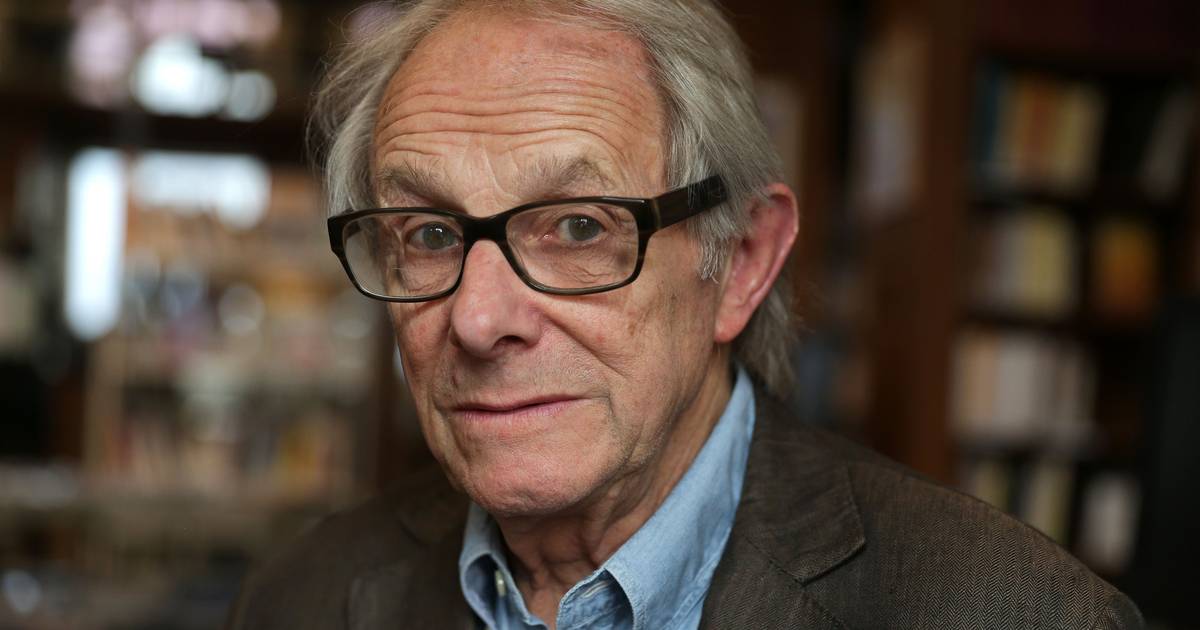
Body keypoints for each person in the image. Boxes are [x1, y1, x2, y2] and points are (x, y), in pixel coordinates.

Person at [228, 1, 1143, 628]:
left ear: (740, 262)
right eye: (429, 234)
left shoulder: (1015, 611)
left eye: (579, 227)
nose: (477, 319)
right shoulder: (300, 599)